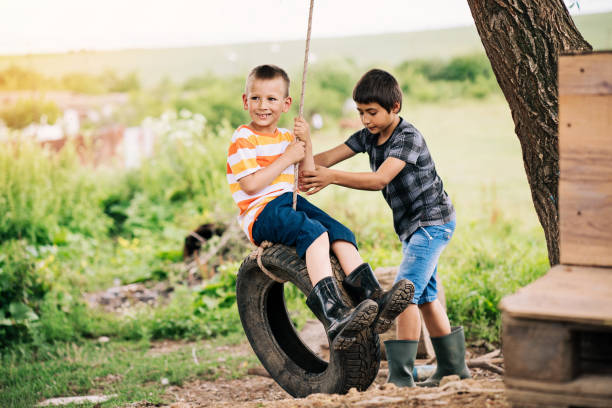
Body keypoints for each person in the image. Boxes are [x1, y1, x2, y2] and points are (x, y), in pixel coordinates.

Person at [300, 68, 470, 386]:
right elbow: (327, 158)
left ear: (395, 107)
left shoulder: (408, 137)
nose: (366, 120)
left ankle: (401, 376)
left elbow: (380, 179)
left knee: (403, 296)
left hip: (432, 224)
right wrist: (301, 152)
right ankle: (452, 367)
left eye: (372, 112)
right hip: (412, 229)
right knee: (426, 297)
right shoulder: (368, 136)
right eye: (361, 112)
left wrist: (332, 178)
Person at [227, 64, 414, 351]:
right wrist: (286, 157)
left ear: (286, 104)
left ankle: (374, 298)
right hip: (261, 212)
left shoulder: (288, 138)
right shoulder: (243, 138)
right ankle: (334, 313)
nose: (263, 106)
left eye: (271, 99)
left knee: (340, 233)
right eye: (256, 98)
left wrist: (306, 144)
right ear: (245, 101)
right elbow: (251, 185)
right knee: (313, 234)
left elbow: (305, 177)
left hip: (289, 202)